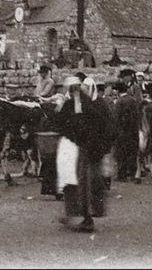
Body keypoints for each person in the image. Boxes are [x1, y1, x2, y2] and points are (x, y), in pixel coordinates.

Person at [56, 75, 115, 233]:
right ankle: (81, 215)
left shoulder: (82, 103)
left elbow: (77, 123)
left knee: (84, 181)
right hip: (90, 147)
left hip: (88, 148)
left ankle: (87, 219)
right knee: (83, 180)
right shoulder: (86, 102)